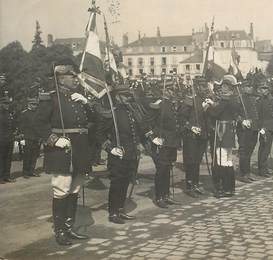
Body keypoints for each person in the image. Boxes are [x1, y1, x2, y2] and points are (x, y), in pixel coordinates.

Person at [34, 59, 91, 245]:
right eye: (72, 76)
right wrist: (55, 139)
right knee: (62, 189)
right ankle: (60, 231)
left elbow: (93, 121)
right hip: (61, 151)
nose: (76, 79)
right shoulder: (50, 98)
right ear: (60, 79)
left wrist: (87, 103)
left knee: (74, 189)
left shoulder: (77, 97)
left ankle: (69, 228)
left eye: (76, 75)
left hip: (80, 150)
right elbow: (38, 124)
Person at [96, 87, 141, 224]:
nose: (128, 98)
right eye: (125, 96)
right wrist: (110, 148)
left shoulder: (130, 112)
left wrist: (138, 145)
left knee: (125, 182)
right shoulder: (112, 114)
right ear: (117, 97)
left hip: (130, 154)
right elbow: (99, 134)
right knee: (117, 184)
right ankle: (113, 212)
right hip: (118, 154)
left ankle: (121, 209)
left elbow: (134, 132)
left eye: (129, 96)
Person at [149, 79, 181, 208]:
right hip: (161, 142)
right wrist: (153, 137)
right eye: (171, 90)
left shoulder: (171, 104)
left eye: (173, 90)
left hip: (171, 142)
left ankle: (166, 195)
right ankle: (159, 197)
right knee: (161, 170)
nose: (173, 92)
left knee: (168, 168)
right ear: (165, 90)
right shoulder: (158, 104)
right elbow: (148, 123)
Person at [208, 75, 240, 197]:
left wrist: (209, 106)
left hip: (222, 131)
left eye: (223, 86)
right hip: (229, 132)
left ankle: (223, 188)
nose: (221, 89)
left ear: (227, 87)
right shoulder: (233, 99)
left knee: (221, 160)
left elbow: (215, 113)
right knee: (228, 160)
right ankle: (230, 188)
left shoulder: (225, 100)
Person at [179, 78, 209, 197]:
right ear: (196, 87)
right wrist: (191, 127)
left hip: (202, 136)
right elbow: (181, 118)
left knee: (197, 161)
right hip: (190, 136)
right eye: (202, 86)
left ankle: (195, 184)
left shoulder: (205, 100)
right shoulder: (189, 100)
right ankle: (189, 185)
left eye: (205, 86)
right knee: (190, 161)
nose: (205, 88)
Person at [236, 80, 259, 183]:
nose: (250, 88)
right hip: (244, 129)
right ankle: (243, 173)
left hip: (254, 128)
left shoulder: (253, 99)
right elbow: (234, 113)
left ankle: (248, 173)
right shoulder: (238, 99)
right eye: (248, 86)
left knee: (250, 151)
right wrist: (241, 120)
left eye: (251, 86)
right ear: (242, 88)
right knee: (244, 151)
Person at [256, 75, 273, 177]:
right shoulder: (259, 101)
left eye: (266, 88)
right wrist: (262, 128)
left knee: (267, 148)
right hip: (264, 127)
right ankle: (262, 169)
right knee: (263, 148)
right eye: (262, 88)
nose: (264, 90)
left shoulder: (270, 100)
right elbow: (259, 116)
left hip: (270, 126)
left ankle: (265, 167)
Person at [19, 96, 42, 178]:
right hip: (28, 137)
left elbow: (39, 125)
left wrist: (40, 136)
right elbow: (21, 126)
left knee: (34, 155)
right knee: (27, 156)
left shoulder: (38, 113)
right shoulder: (24, 113)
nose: (35, 106)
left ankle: (32, 171)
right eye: (33, 104)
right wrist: (22, 137)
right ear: (29, 104)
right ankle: (25, 172)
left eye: (36, 104)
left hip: (36, 137)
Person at [0, 73, 16, 184]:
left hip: (9, 138)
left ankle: (7, 176)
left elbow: (12, 125)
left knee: (8, 158)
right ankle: (1, 177)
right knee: (1, 158)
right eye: (5, 104)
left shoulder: (9, 113)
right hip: (1, 139)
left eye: (8, 103)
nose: (7, 105)